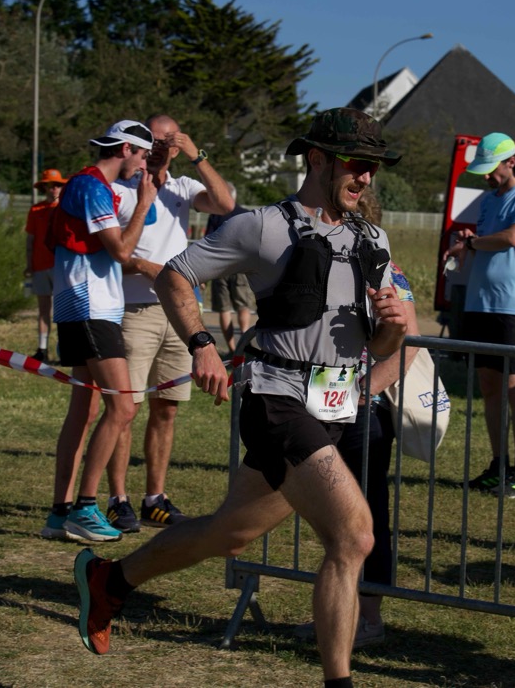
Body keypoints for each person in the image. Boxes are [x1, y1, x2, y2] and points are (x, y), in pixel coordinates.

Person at [72, 107, 408, 688]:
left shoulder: (370, 239)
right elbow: (175, 275)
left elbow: (378, 342)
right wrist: (202, 344)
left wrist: (395, 330)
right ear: (318, 160)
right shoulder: (263, 226)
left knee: (229, 533)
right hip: (277, 400)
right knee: (354, 535)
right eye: (356, 163)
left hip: (334, 407)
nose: (366, 177)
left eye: (373, 167)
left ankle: (110, 581)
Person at [294, 184, 421, 649]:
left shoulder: (388, 270)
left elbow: (409, 341)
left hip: (364, 414)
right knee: (334, 517)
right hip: (318, 404)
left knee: (367, 516)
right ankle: (336, 616)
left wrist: (366, 389)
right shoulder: (322, 264)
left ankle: (368, 619)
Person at [105, 114, 234, 533]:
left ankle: (154, 498)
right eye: (154, 141)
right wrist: (146, 267)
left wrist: (197, 155)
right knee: (125, 409)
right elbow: (110, 256)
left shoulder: (182, 187)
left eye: (169, 142)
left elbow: (225, 205)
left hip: (178, 314)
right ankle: (118, 499)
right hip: (134, 311)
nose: (160, 148)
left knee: (167, 409)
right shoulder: (121, 189)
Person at [39, 121, 156, 543]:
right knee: (123, 408)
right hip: (91, 309)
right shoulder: (89, 185)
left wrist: (143, 199)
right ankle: (85, 508)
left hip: (83, 307)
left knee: (85, 411)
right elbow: (122, 250)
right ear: (125, 149)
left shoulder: (95, 186)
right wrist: (143, 203)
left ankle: (59, 514)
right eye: (143, 155)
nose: (144, 165)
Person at [440, 132, 515, 498]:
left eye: (491, 169)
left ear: (511, 162)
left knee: (514, 385)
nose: (486, 176)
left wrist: (472, 242)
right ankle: (498, 465)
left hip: (510, 306)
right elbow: (489, 240)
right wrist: (469, 243)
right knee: (489, 385)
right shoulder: (487, 201)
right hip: (478, 303)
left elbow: (512, 237)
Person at [203, 182, 256, 354]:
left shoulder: (215, 215)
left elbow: (207, 242)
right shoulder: (246, 214)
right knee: (243, 307)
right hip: (241, 267)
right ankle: (244, 346)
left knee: (224, 310)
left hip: (220, 268)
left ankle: (232, 349)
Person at [25, 168, 67, 363]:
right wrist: (29, 264)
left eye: (57, 185)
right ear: (44, 188)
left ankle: (64, 349)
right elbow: (30, 240)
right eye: (50, 186)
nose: (54, 189)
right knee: (43, 309)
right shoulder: (36, 210)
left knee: (63, 311)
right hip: (40, 265)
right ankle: (42, 349)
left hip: (61, 267)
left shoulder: (66, 209)